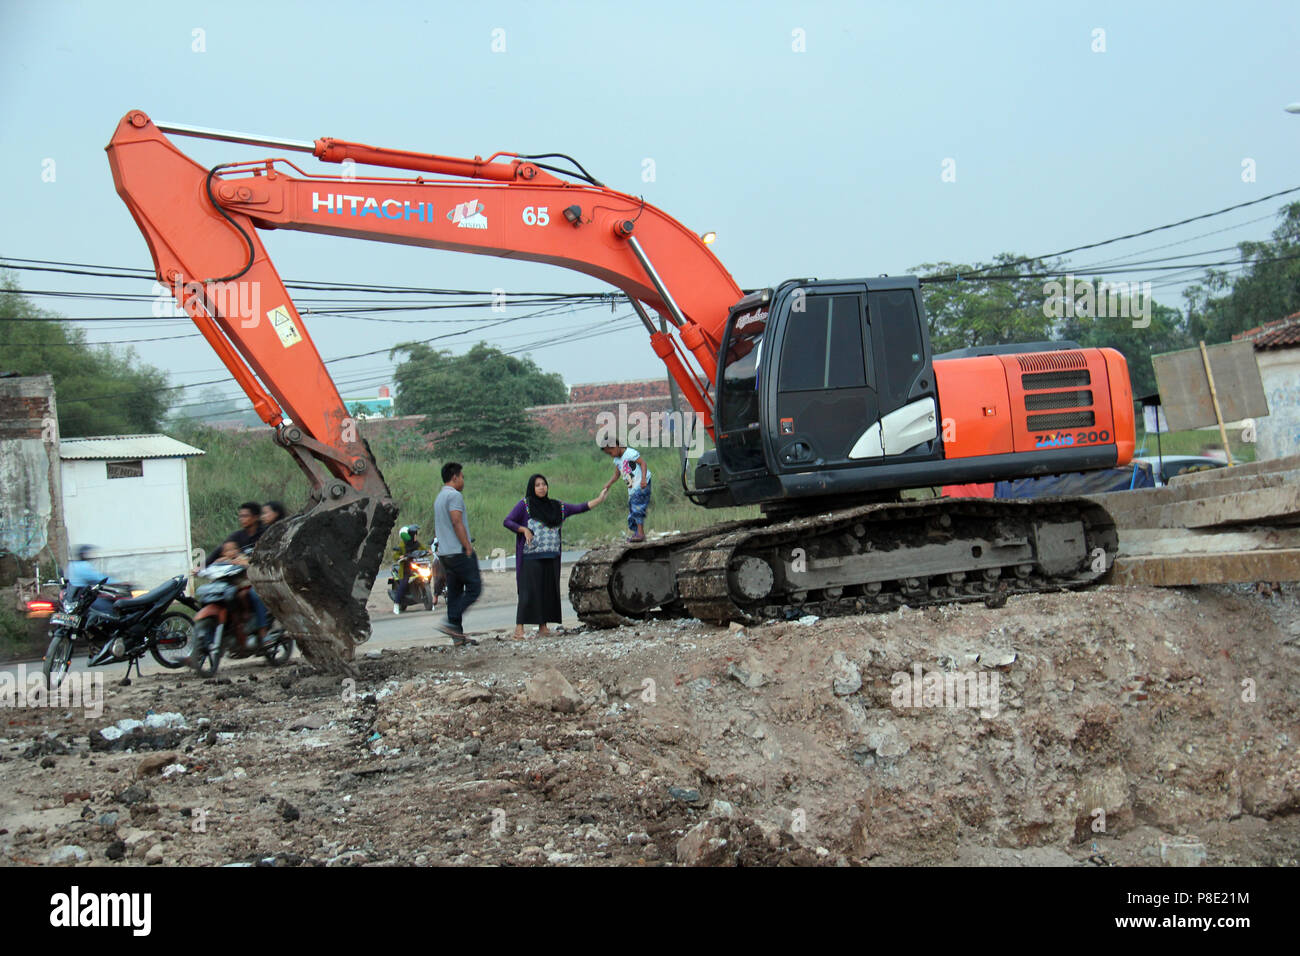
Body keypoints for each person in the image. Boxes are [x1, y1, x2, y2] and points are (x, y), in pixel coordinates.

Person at [503, 474, 607, 640]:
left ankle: (543, 627)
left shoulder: (557, 507)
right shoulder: (525, 505)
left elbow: (579, 508)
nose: (542, 487)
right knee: (528, 592)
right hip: (531, 558)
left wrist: (599, 499)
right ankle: (519, 630)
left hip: (551, 556)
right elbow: (508, 521)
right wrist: (523, 530)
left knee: (546, 591)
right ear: (532, 488)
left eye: (544, 484)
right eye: (537, 485)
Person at [433, 462, 480, 646]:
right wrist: (467, 546)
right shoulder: (454, 496)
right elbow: (456, 521)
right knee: (474, 588)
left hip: (445, 553)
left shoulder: (439, 497)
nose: (463, 480)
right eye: (462, 476)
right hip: (458, 552)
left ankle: (457, 637)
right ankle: (450, 622)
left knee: (454, 591)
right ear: (455, 477)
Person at [600, 442, 652, 542]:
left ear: (616, 446)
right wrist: (609, 483)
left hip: (641, 485)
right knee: (632, 511)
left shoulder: (630, 453)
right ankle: (637, 533)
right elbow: (617, 475)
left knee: (637, 507)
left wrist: (644, 479)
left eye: (611, 452)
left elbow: (643, 463)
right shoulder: (617, 460)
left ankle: (641, 534)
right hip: (632, 489)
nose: (611, 456)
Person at [207, 501, 263, 566]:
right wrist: (201, 566)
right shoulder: (237, 535)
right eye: (240, 516)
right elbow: (219, 550)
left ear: (256, 517)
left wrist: (248, 561)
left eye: (245, 516)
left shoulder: (266, 534)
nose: (241, 519)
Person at [391, 523, 424, 614]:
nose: (416, 536)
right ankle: (396, 604)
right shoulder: (402, 545)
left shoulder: (417, 543)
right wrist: (400, 557)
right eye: (415, 534)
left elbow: (423, 549)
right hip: (405, 568)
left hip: (416, 566)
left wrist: (427, 551)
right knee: (404, 584)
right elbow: (395, 556)